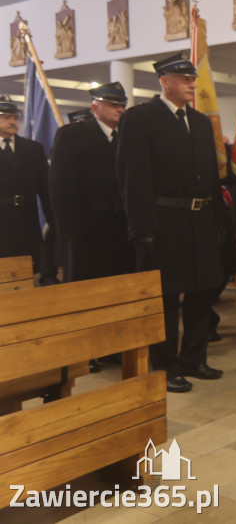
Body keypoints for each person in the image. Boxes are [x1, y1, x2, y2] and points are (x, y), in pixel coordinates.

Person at [116, 51, 229, 393]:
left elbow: (211, 175)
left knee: (201, 294)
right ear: (164, 82)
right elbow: (132, 178)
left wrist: (219, 221)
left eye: (193, 78)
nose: (192, 84)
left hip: (201, 220)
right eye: (185, 79)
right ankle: (167, 365)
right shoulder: (140, 119)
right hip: (165, 221)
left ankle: (195, 358)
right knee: (166, 298)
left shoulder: (197, 120)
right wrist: (142, 228)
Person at [50, 83, 135, 369]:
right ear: (95, 107)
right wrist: (67, 233)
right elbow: (60, 186)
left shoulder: (127, 136)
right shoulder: (73, 135)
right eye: (113, 105)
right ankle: (83, 351)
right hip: (86, 228)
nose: (120, 110)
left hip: (120, 226)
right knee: (85, 294)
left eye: (122, 105)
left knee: (115, 291)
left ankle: (110, 346)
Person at [0, 96, 53, 276]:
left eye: (15, 117)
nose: (12, 121)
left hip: (26, 221)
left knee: (28, 270)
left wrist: (53, 220)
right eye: (6, 117)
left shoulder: (33, 149)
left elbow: (45, 189)